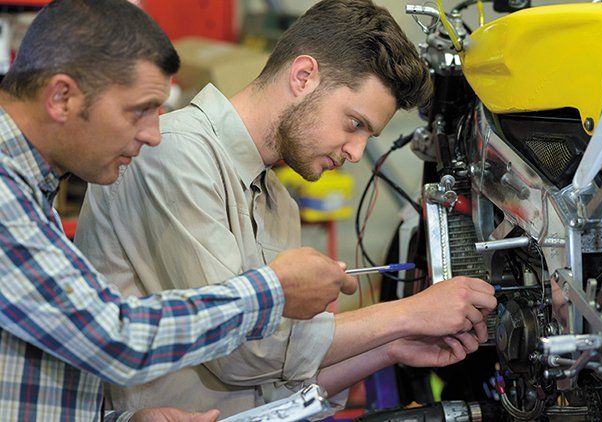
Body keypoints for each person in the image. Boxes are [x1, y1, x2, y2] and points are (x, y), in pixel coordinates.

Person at [76, 0, 498, 418]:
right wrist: (408, 313)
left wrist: (390, 347)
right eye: (355, 124)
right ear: (303, 76)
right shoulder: (175, 152)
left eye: (368, 136)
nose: (355, 152)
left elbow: (276, 389)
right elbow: (239, 351)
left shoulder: (278, 204)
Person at [0, 0, 360, 420]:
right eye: (139, 111)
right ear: (61, 97)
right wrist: (273, 290)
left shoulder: (30, 194)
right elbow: (116, 338)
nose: (154, 134)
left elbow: (32, 377)